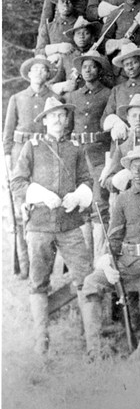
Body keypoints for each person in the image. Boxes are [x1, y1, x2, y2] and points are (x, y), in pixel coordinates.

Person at [10, 97, 94, 355]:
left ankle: (93, 343)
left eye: (62, 115)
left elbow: (87, 181)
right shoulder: (32, 147)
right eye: (53, 116)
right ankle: (41, 340)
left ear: (67, 119)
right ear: (44, 120)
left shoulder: (76, 148)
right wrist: (41, 194)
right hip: (40, 225)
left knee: (87, 278)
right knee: (38, 281)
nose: (58, 119)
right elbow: (17, 184)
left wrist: (78, 195)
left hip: (70, 225)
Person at [82, 145, 140, 359]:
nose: (137, 171)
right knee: (90, 282)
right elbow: (114, 238)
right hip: (126, 261)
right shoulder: (123, 199)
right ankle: (94, 350)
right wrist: (108, 264)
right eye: (134, 167)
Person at [3, 57, 60, 278]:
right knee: (20, 211)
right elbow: (8, 134)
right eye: (34, 69)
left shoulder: (54, 98)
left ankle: (43, 268)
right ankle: (24, 267)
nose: (38, 73)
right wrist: (8, 160)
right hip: (19, 155)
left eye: (42, 69)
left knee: (42, 208)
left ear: (47, 74)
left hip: (44, 155)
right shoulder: (17, 98)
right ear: (28, 74)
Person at [66, 50, 113, 261]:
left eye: (92, 66)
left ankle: (100, 261)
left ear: (99, 70)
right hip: (77, 154)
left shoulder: (108, 94)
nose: (88, 70)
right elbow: (68, 128)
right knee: (80, 204)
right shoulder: (74, 96)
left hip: (98, 153)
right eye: (84, 66)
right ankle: (84, 261)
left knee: (99, 204)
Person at [101, 44, 140, 139]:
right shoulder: (117, 90)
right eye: (126, 64)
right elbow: (104, 119)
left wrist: (131, 131)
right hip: (121, 143)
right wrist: (116, 124)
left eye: (134, 62)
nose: (130, 67)